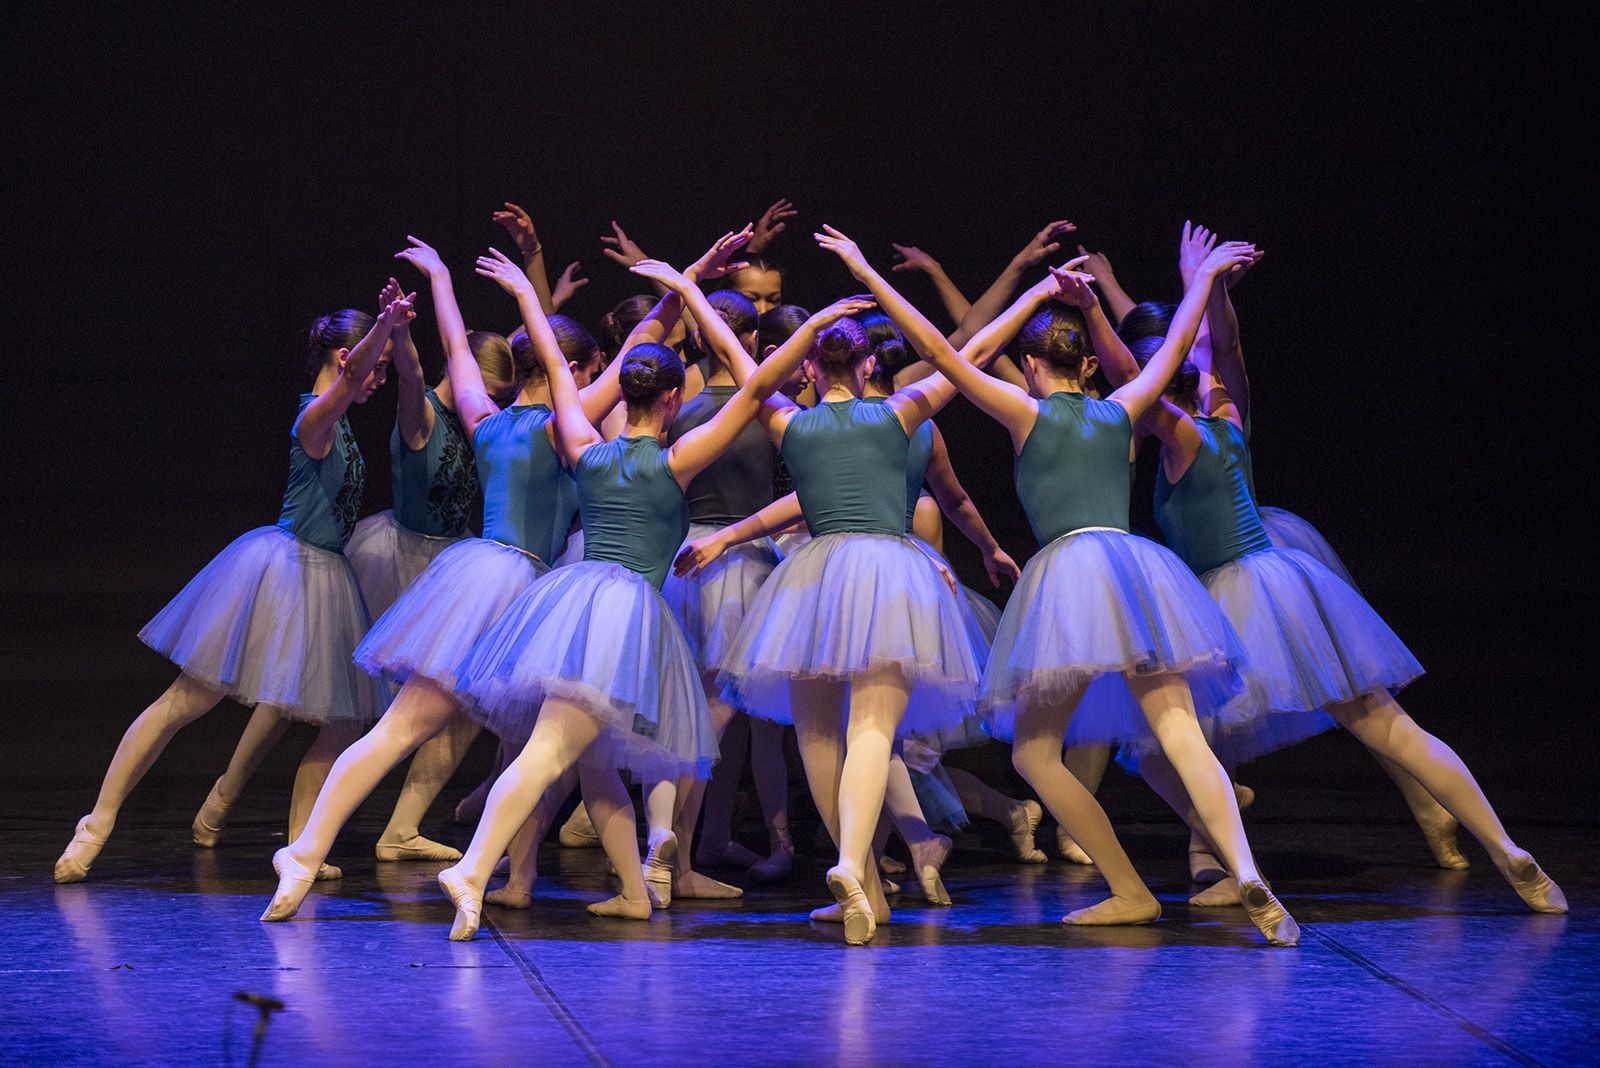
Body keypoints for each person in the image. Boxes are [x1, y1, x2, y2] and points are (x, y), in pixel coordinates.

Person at [1093, 224, 1565, 916]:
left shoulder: (1178, 432)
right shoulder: (1228, 412)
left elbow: (1129, 376)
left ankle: (1233, 860)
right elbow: (1227, 349)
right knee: (1393, 728)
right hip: (1287, 590)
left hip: (1230, 602)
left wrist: (1111, 304)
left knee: (1160, 751)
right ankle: (1507, 848)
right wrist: (1214, 285)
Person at [433, 246, 870, 940]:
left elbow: (553, 366)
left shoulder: (581, 441)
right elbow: (757, 391)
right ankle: (474, 868)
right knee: (550, 752)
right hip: (625, 613)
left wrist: (525, 297)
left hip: (576, 602)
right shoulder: (675, 461)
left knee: (599, 764)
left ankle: (635, 892)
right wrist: (801, 328)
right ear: (673, 399)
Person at [906, 231, 1303, 946]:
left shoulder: (1023, 411)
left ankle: (1127, 889)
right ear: (1089, 363)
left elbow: (940, 356)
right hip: (1135, 577)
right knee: (1181, 734)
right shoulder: (1122, 410)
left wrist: (1026, 291)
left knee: (1033, 754)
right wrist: (1203, 277)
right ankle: (1246, 870)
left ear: (1031, 364)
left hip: (1066, 584)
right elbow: (1178, 348)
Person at [260, 235, 628, 921]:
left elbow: (458, 351)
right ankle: (335, 854)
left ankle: (318, 853)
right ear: (565, 368)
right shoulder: (561, 430)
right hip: (521, 594)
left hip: (478, 584)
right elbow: (626, 359)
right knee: (525, 750)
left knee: (415, 735)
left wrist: (438, 281)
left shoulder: (485, 423)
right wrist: (681, 288)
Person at [56, 297, 408, 883]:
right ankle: (96, 823)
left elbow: (351, 385)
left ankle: (300, 846)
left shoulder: (342, 422)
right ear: (348, 357)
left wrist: (388, 333)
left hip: (322, 577)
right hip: (278, 574)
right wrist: (387, 328)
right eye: (376, 366)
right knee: (185, 703)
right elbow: (348, 381)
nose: (379, 379)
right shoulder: (315, 418)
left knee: (342, 722)